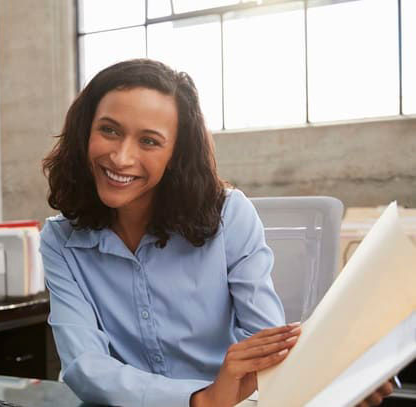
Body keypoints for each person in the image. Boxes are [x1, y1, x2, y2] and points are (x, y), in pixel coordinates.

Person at [41, 59, 394, 407]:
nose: (120, 157)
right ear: (86, 130)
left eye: (149, 141)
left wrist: (337, 374)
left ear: (175, 154)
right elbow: (84, 366)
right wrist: (198, 400)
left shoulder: (229, 214)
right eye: (110, 130)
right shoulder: (60, 241)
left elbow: (263, 342)